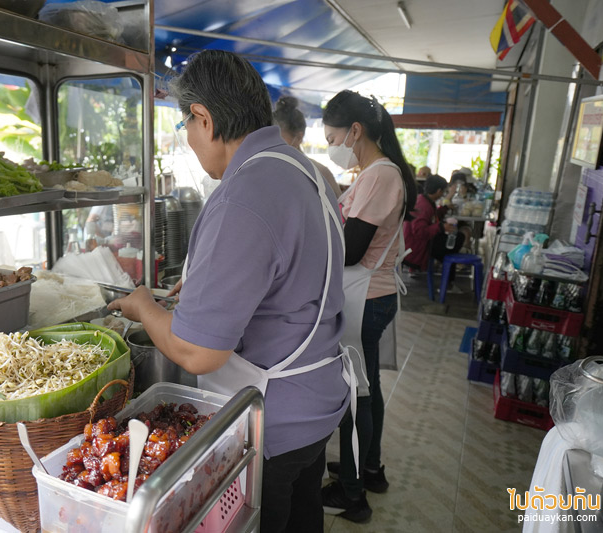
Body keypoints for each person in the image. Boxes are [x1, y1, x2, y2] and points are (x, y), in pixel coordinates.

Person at [108, 50, 349, 533]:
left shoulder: (243, 195)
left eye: (187, 125)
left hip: (273, 418)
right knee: (304, 517)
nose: (190, 140)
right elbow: (289, 273)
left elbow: (197, 352)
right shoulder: (302, 168)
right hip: (320, 400)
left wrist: (144, 306)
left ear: (204, 118)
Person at [319, 90, 417, 522]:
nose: (331, 146)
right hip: (371, 296)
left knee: (354, 396)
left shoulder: (381, 175)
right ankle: (369, 469)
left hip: (366, 298)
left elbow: (351, 250)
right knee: (368, 387)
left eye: (332, 137)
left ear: (355, 131)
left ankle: (352, 495)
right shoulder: (376, 173)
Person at [273, 95, 341, 197]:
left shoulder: (320, 172)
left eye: (280, 140)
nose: (274, 145)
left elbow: (337, 205)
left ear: (299, 137)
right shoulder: (268, 171)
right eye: (271, 139)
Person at [402, 174, 464, 272]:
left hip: (416, 243)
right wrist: (441, 227)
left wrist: (444, 209)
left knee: (454, 239)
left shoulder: (423, 200)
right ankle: (448, 273)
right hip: (415, 248)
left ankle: (447, 271)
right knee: (458, 239)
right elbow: (419, 231)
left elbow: (430, 218)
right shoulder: (423, 205)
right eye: (443, 191)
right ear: (439, 191)